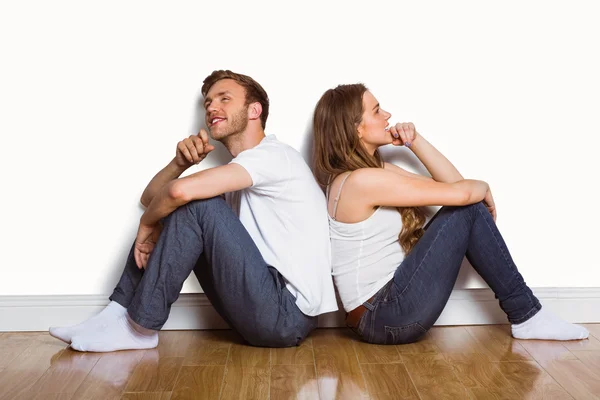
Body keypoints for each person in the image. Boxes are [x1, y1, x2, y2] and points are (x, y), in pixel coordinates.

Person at [49, 70, 338, 352]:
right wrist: (179, 164)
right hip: (268, 308)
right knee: (184, 203)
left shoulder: (274, 156)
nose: (212, 107)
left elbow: (177, 193)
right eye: (208, 103)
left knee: (196, 202)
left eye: (224, 99)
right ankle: (115, 315)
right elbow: (153, 198)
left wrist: (145, 227)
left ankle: (139, 329)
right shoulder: (242, 172)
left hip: (286, 314)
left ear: (254, 110)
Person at [311, 83, 589, 345]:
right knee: (467, 208)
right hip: (384, 315)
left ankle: (527, 314)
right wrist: (484, 187)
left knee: (467, 206)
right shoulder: (361, 182)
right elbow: (465, 194)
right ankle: (527, 314)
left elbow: (454, 184)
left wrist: (415, 141)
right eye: (376, 110)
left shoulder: (366, 174)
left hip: (381, 314)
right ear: (356, 128)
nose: (388, 115)